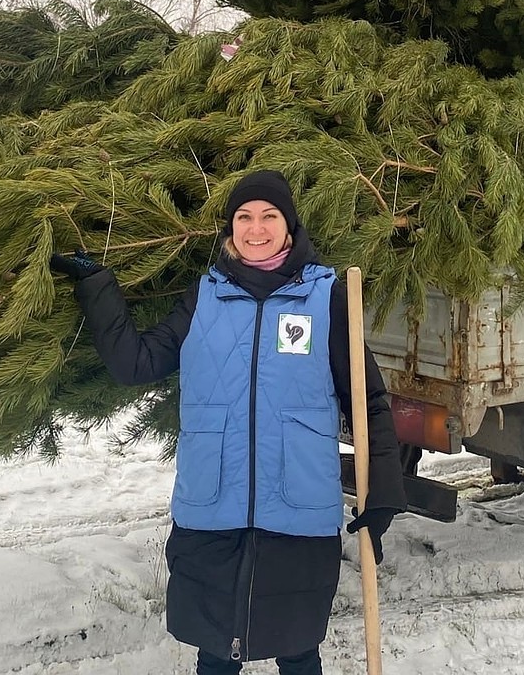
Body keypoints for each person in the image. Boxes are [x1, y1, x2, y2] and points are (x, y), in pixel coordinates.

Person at [51, 169, 407, 675]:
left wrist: (384, 493)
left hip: (298, 513)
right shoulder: (204, 299)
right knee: (216, 654)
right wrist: (95, 283)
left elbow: (368, 403)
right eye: (243, 217)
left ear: (290, 227)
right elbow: (137, 364)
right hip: (212, 510)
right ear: (229, 229)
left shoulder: (327, 300)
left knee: (299, 651)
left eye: (268, 216)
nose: (255, 228)